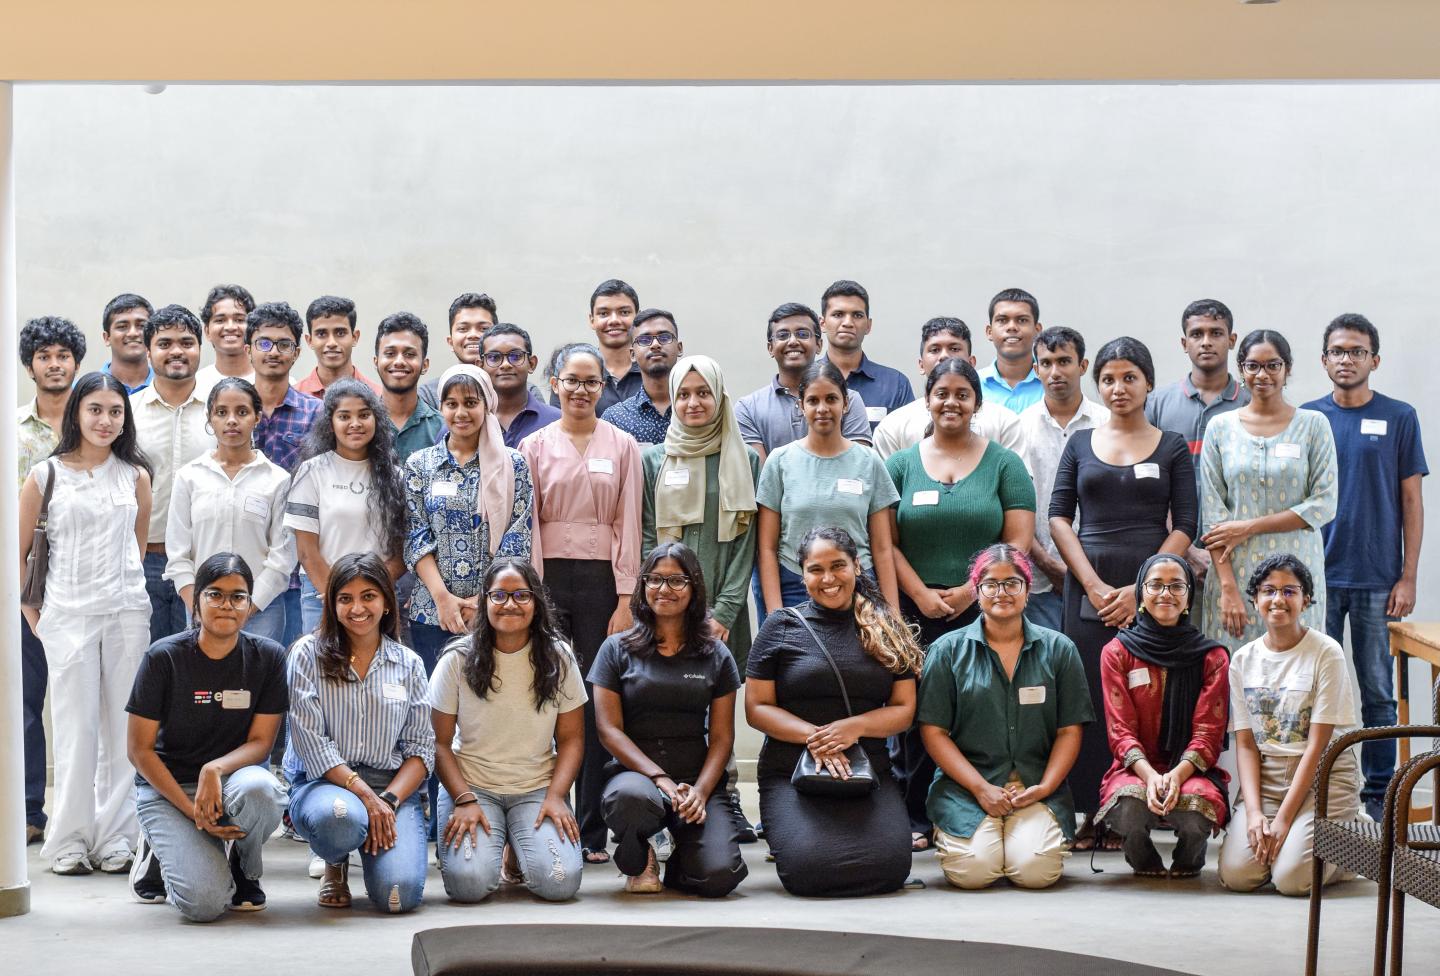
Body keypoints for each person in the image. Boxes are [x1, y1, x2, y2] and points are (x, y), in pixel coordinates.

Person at [1049, 337, 1198, 843]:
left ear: (1148, 383)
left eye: (1129, 377)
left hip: (1154, 591)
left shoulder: (1172, 445)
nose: (1119, 388)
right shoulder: (1079, 443)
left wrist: (1143, 587)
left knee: (1150, 701)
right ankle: (1092, 812)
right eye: (1109, 379)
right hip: (1088, 587)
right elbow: (1058, 518)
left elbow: (1186, 524)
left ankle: (1147, 807)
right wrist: (1090, 584)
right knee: (1089, 698)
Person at [886, 358, 1036, 846]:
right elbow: (885, 544)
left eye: (962, 393)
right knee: (913, 713)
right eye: (941, 393)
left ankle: (970, 803)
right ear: (927, 400)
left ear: (977, 402)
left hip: (987, 610)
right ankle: (911, 814)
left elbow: (1017, 543)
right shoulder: (901, 464)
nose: (951, 402)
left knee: (975, 710)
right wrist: (920, 595)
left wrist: (974, 589)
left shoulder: (1004, 464)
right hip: (914, 611)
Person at [18, 372, 152, 875]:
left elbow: (136, 548)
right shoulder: (46, 475)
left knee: (124, 728)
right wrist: (36, 614)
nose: (105, 420)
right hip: (67, 616)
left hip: (125, 614)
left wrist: (119, 592)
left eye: (115, 411)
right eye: (95, 409)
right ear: (77, 412)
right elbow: (20, 553)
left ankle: (116, 837)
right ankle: (70, 839)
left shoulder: (135, 475)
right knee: (75, 729)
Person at [745, 526, 923, 897]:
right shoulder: (781, 625)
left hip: (867, 770)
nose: (828, 579)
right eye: (815, 569)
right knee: (809, 871)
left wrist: (852, 729)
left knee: (892, 868)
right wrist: (819, 738)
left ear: (858, 565)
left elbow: (904, 710)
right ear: (802, 573)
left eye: (838, 565)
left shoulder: (886, 626)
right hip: (792, 771)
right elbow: (757, 708)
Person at [521, 341, 644, 862]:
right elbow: (523, 528)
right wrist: (530, 597)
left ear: (603, 387)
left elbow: (630, 524)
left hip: (602, 586)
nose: (580, 390)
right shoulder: (532, 446)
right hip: (546, 584)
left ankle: (591, 829)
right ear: (554, 382)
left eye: (590, 381)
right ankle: (539, 815)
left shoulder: (623, 445)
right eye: (570, 380)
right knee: (543, 698)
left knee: (594, 702)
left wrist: (625, 598)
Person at [1303, 313, 1427, 821]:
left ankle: (1379, 798)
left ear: (1374, 360)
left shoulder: (1400, 416)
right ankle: (1322, 793)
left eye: (1357, 351)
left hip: (1379, 579)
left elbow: (1412, 501)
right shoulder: (1308, 418)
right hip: (1316, 581)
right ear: (1324, 359)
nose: (1346, 359)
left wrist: (1409, 574)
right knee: (1316, 691)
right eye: (1337, 351)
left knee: (1377, 691)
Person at [917, 544, 1092, 889]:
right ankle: (980, 837)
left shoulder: (1059, 650)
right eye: (990, 584)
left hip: (1034, 785)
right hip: (967, 787)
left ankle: (1016, 838)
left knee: (1035, 873)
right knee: (975, 872)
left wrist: (1046, 787)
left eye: (1012, 583)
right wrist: (981, 789)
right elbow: (933, 731)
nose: (1002, 593)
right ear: (976, 591)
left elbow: (1070, 729)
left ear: (1028, 590)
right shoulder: (947, 651)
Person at [125, 553, 288, 920]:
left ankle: (244, 869)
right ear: (196, 601)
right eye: (215, 594)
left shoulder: (268, 657)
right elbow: (139, 750)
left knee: (262, 791)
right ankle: (156, 849)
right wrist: (191, 812)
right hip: (168, 790)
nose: (226, 605)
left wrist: (213, 769)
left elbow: (262, 742)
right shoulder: (163, 657)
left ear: (249, 604)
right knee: (204, 905)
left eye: (238, 596)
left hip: (230, 783)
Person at [640, 354, 760, 842]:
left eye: (703, 393)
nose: (693, 402)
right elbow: (649, 535)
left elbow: (747, 543)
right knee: (669, 705)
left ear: (719, 397)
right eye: (684, 393)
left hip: (722, 615)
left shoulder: (745, 459)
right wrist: (668, 601)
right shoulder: (653, 459)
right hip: (666, 607)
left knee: (719, 707)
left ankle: (723, 799)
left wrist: (723, 613)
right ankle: (664, 807)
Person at [591, 543, 748, 896]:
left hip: (696, 780)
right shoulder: (616, 648)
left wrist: (702, 792)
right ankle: (638, 854)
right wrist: (659, 779)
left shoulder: (716, 652)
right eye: (655, 579)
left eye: (677, 580)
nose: (664, 589)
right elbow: (608, 730)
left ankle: (684, 859)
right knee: (630, 799)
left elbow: (723, 738)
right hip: (636, 777)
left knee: (720, 876)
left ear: (694, 588)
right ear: (643, 586)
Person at [284, 553, 435, 912]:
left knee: (399, 896)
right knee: (340, 819)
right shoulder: (307, 654)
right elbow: (311, 743)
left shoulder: (409, 664)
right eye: (345, 598)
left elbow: (421, 749)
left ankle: (374, 850)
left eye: (368, 596)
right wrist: (367, 798)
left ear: (386, 602)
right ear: (332, 603)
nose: (357, 608)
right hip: (325, 784)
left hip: (391, 788)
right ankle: (334, 863)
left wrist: (390, 801)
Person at [430, 558, 586, 903]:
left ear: (537, 602)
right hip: (472, 788)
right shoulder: (457, 659)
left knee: (559, 883)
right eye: (499, 596)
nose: (510, 605)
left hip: (536, 789)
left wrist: (557, 796)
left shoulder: (559, 657)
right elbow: (438, 744)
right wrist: (464, 799)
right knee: (468, 886)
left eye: (521, 595)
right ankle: (497, 846)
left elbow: (573, 739)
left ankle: (517, 846)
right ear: (484, 601)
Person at [1218, 554, 1360, 896]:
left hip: (1322, 775)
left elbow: (1317, 745)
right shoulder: (1242, 660)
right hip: (1268, 779)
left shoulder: (1326, 652)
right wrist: (1254, 813)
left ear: (1306, 599)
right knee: (1238, 875)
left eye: (1289, 591)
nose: (1278, 600)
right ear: (1255, 599)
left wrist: (1282, 821)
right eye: (1268, 591)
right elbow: (1248, 745)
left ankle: (1351, 841)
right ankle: (1297, 840)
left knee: (1293, 881)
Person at [1093, 554, 1230, 878]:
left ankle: (1189, 857)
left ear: (1188, 598)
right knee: (1128, 807)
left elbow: (1208, 734)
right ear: (1141, 593)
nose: (1165, 593)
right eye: (1155, 585)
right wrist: (1152, 777)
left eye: (1176, 586)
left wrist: (1176, 776)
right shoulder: (1117, 652)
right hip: (1135, 768)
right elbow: (1120, 731)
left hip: (1190, 769)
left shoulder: (1212, 656)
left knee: (1197, 808)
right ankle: (1141, 856)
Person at [1200, 329, 1338, 649]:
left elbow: (1323, 504)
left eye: (1273, 365)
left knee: (1298, 676)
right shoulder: (1220, 428)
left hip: (1297, 576)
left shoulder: (1313, 425)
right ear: (1241, 371)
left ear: (1286, 369)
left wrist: (1248, 527)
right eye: (1253, 366)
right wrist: (1228, 589)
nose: (1263, 374)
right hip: (1235, 573)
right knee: (1233, 678)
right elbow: (1213, 515)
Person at [405, 364, 534, 670]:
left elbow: (517, 539)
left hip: (496, 610)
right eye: (452, 404)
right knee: (437, 705)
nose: (461, 412)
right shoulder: (419, 465)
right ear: (441, 408)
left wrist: (484, 602)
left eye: (470, 403)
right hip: (431, 609)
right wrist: (443, 599)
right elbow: (415, 536)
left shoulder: (513, 465)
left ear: (487, 405)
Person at [755, 362, 900, 618]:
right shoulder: (779, 462)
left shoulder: (869, 461)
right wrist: (776, 615)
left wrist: (892, 613)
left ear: (845, 404)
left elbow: (882, 546)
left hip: (859, 586)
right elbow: (766, 548)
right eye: (813, 400)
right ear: (800, 406)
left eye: (831, 399)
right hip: (796, 586)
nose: (822, 408)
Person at [17, 315, 86, 845]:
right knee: (26, 700)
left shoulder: (93, 426)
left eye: (63, 354)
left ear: (77, 363)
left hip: (84, 580)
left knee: (85, 703)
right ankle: (28, 810)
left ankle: (82, 811)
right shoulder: (12, 429)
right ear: (30, 366)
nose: (55, 363)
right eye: (45, 356)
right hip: (26, 580)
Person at [164, 378, 295, 643]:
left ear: (257, 417)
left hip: (261, 611)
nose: (232, 420)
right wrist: (198, 608)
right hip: (201, 609)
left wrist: (247, 606)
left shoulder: (277, 480)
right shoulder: (189, 477)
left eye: (242, 412)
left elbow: (282, 557)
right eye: (222, 412)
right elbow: (178, 553)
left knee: (254, 682)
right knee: (202, 683)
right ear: (210, 418)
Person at [285, 380, 408, 633]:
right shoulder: (312, 471)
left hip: (378, 597)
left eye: (364, 415)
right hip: (321, 595)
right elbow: (307, 550)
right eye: (344, 416)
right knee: (324, 669)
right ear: (330, 423)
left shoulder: (396, 476)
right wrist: (339, 595)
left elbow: (402, 551)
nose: (355, 424)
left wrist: (369, 594)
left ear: (377, 419)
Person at [1146, 299, 1250, 588]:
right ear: (1184, 342)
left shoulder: (1251, 403)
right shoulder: (1158, 404)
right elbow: (1149, 488)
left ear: (1231, 340)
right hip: (1173, 556)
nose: (1206, 342)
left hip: (1240, 554)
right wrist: (1188, 552)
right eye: (1197, 334)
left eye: (1216, 333)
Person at [1017, 326, 1109, 632]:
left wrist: (1082, 574)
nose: (1055, 371)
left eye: (1064, 361)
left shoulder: (1107, 423)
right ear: (1036, 370)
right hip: (1039, 580)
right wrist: (1049, 566)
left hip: (1102, 576)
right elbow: (1014, 508)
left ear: (1082, 366)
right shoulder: (1019, 428)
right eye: (1046, 363)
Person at [132, 304, 211, 644]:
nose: (177, 350)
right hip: (141, 560)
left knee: (195, 665)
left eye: (186, 342)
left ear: (199, 348)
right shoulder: (127, 414)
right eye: (165, 343)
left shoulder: (221, 411)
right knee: (141, 665)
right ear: (148, 352)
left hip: (201, 562)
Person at [246, 300, 324, 650]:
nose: (273, 352)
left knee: (292, 671)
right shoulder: (230, 410)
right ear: (248, 350)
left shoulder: (315, 413)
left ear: (296, 352)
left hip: (296, 571)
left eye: (283, 344)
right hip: (245, 562)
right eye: (264, 343)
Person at [734, 302, 873, 461]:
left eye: (802, 334)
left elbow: (858, 467)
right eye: (782, 335)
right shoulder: (748, 409)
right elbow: (764, 478)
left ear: (819, 344)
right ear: (770, 348)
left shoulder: (849, 400)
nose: (792, 341)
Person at [871, 317, 1023, 457]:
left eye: (954, 349)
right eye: (934, 350)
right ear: (921, 364)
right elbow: (884, 485)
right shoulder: (894, 426)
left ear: (971, 363)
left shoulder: (1004, 423)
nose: (944, 356)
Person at [817, 279, 914, 429]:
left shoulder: (895, 384)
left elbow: (907, 440)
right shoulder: (804, 380)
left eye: (857, 315)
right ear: (822, 323)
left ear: (868, 326)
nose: (848, 322)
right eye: (838, 314)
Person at [602, 308, 683, 445]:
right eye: (644, 340)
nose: (655, 345)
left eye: (664, 337)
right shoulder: (615, 419)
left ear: (679, 348)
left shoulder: (698, 409)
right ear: (632, 354)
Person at [374, 311, 442, 463]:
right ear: (376, 362)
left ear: (425, 365)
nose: (399, 361)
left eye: (409, 354)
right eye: (390, 353)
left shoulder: (443, 429)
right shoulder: (362, 425)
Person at [478, 322, 560, 448]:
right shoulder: (465, 424)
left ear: (531, 364)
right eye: (494, 357)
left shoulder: (557, 422)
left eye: (516, 356)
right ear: (480, 366)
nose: (505, 364)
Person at [418, 292, 499, 408]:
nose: (473, 335)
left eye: (484, 328)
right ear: (450, 342)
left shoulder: (520, 391)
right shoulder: (429, 394)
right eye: (463, 329)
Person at [296, 295, 384, 398]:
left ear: (355, 337)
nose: (331, 343)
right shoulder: (294, 398)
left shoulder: (377, 397)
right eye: (321, 334)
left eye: (340, 333)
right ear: (309, 341)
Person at [977, 288, 1045, 412]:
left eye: (1022, 320)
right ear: (989, 332)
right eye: (1002, 320)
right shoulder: (972, 384)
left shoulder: (1052, 382)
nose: (1012, 327)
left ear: (1037, 330)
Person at [194, 284, 257, 388]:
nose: (230, 327)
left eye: (240, 320)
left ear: (253, 328)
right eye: (220, 320)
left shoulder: (275, 382)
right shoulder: (196, 385)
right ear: (207, 331)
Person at [99, 293, 155, 394]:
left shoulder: (167, 386)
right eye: (122, 326)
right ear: (107, 338)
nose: (133, 333)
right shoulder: (85, 391)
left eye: (141, 326)